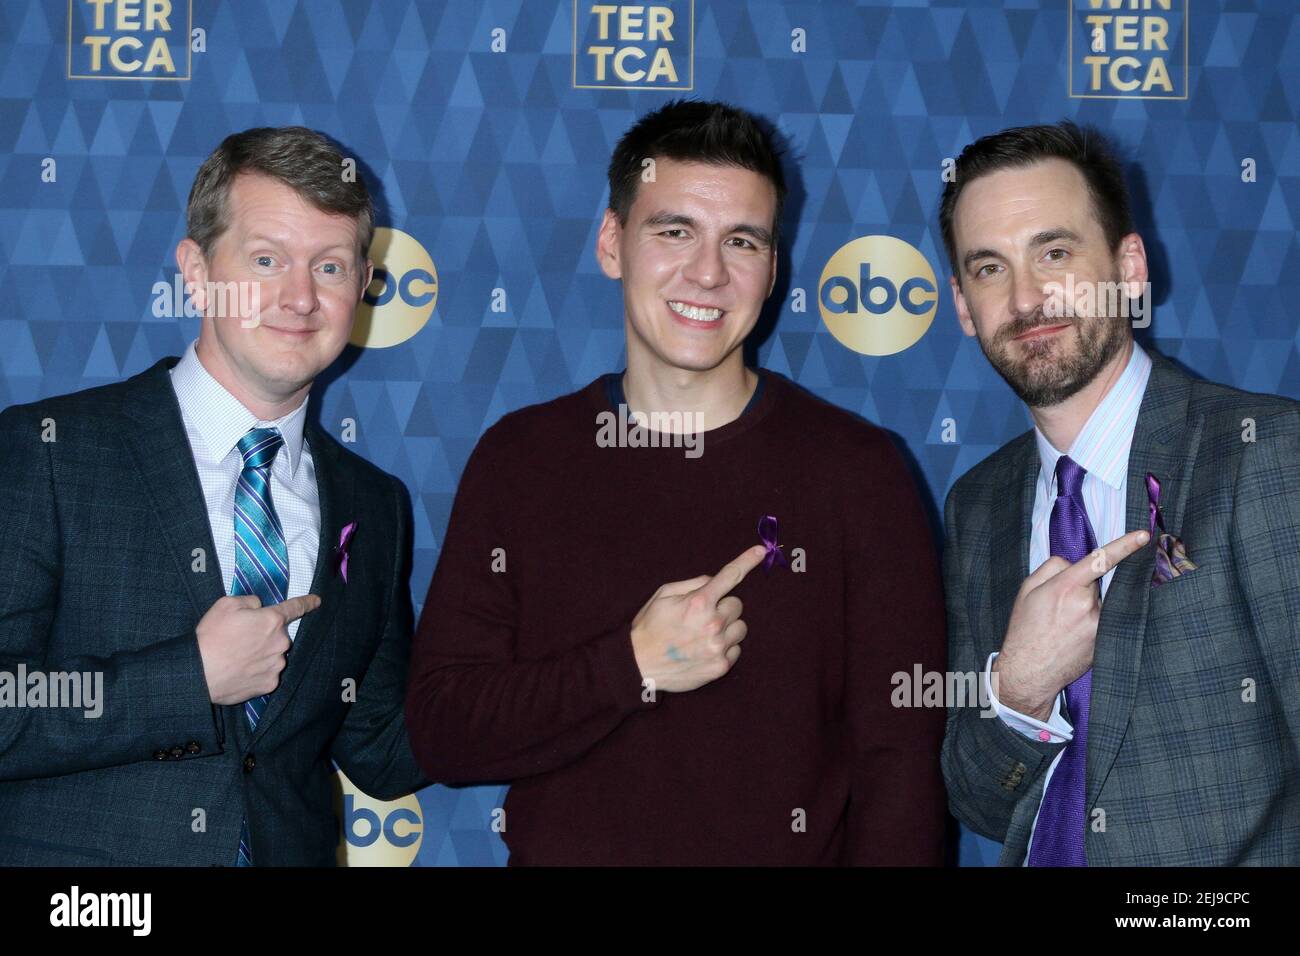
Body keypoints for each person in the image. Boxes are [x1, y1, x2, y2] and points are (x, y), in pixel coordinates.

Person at [405, 100, 946, 865]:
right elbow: (443, 733)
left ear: (772, 270)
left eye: (742, 242)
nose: (708, 273)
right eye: (674, 231)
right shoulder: (521, 460)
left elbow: (902, 771)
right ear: (610, 242)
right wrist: (628, 667)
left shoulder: (859, 472)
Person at [0, 126, 426, 866]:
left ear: (361, 287)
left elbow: (383, 747)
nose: (300, 297)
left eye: (329, 267)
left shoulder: (374, 503)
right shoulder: (50, 451)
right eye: (267, 261)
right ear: (195, 272)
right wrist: (186, 678)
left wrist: (594, 655)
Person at [938, 120, 1300, 865]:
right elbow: (977, 801)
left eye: (1056, 253)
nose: (1028, 297)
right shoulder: (976, 507)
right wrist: (1022, 690)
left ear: (1130, 267)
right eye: (989, 268)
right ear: (963, 305)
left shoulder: (1265, 454)